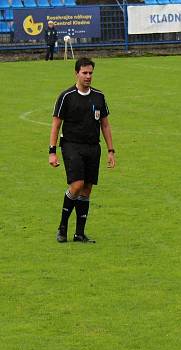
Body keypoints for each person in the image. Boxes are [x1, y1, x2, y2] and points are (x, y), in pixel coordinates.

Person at [48, 57, 116, 243]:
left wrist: (111, 150)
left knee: (86, 190)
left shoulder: (99, 96)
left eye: (90, 73)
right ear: (76, 73)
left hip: (93, 148)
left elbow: (105, 125)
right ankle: (62, 227)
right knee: (76, 185)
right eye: (84, 73)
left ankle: (79, 233)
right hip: (71, 146)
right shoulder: (66, 96)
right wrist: (52, 151)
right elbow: (56, 125)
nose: (88, 76)